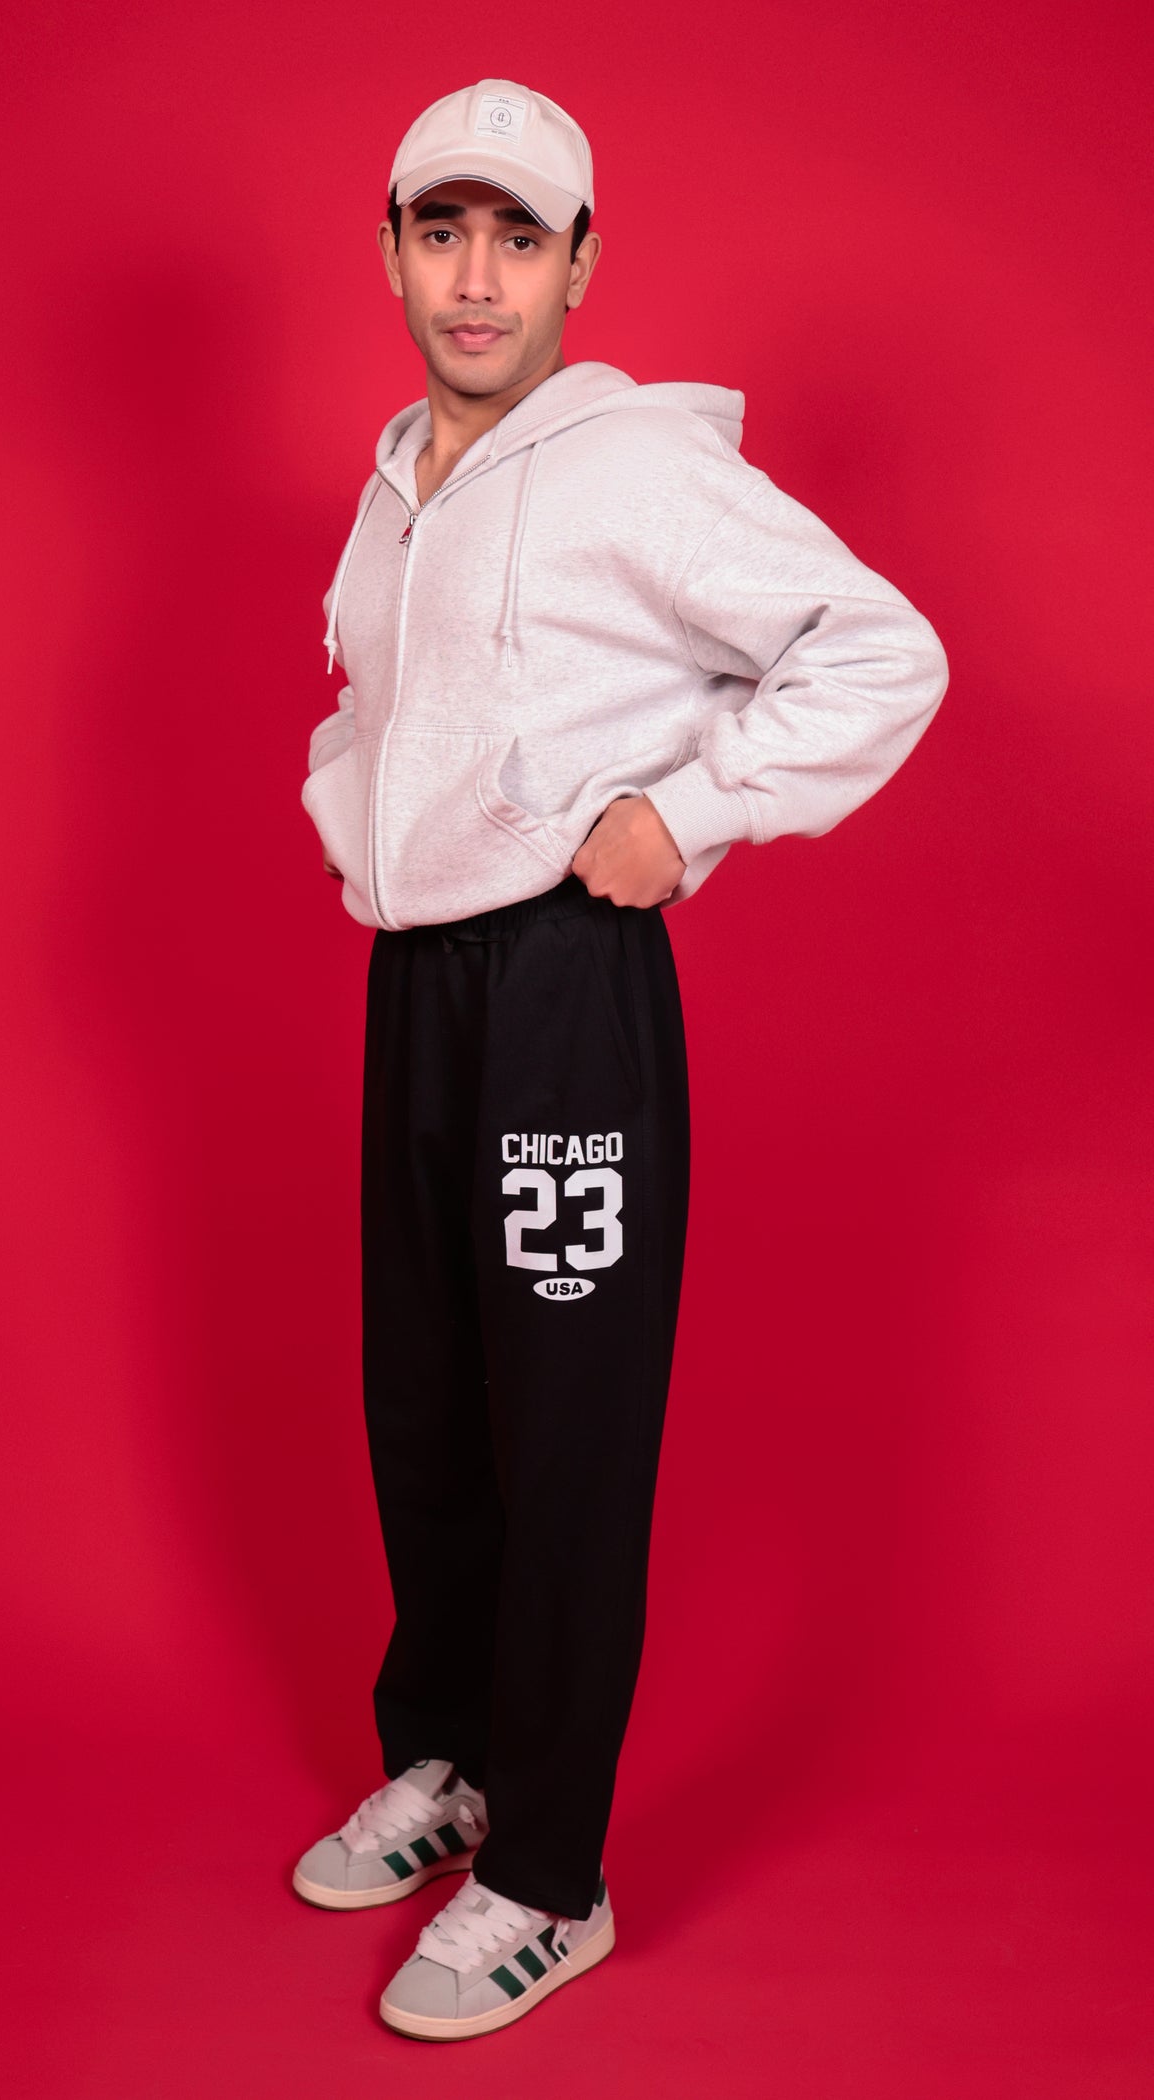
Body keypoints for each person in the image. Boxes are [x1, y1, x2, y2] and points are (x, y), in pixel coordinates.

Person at [292, 77, 949, 2041]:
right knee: (427, 1400)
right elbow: (367, 700)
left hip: (568, 989)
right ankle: (453, 1759)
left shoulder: (634, 466)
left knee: (564, 1427)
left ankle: (551, 1877)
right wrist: (357, 828)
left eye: (519, 237)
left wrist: (693, 809)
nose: (475, 277)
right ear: (391, 250)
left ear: (580, 264)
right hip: (421, 982)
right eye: (442, 231)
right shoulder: (394, 482)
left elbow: (879, 645)